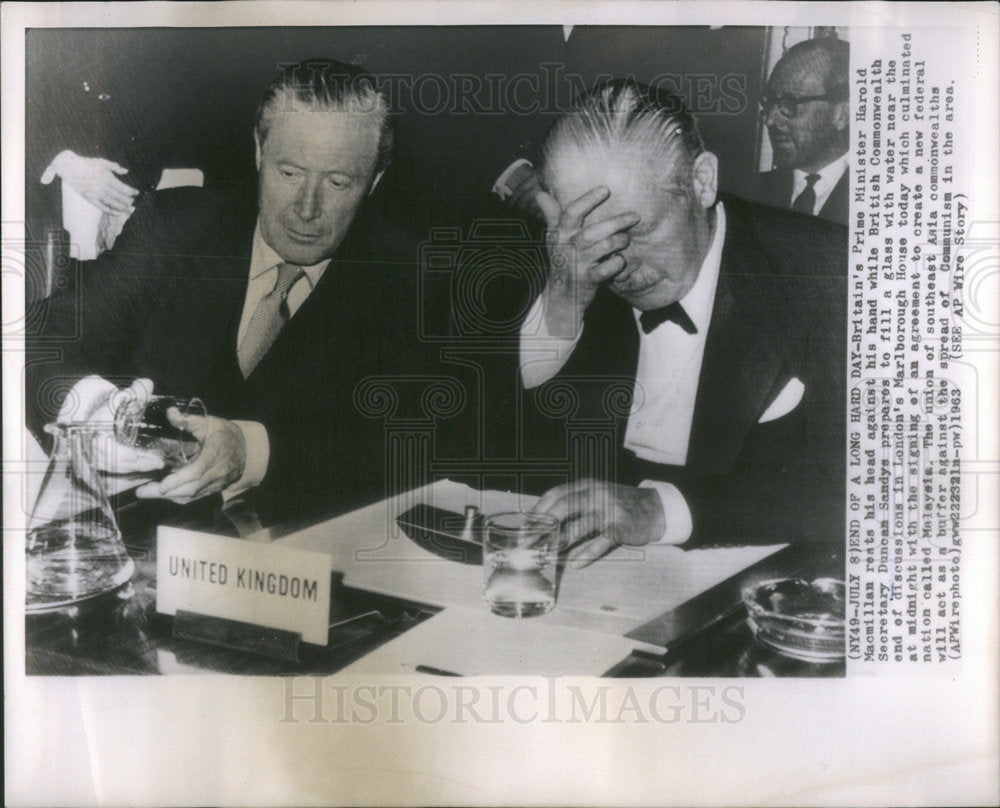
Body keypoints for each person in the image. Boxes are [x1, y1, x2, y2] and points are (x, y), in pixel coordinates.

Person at [26, 58, 431, 524]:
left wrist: (250, 452)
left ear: (374, 183)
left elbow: (407, 449)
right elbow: (40, 339)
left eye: (338, 182)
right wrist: (95, 409)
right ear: (259, 152)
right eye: (290, 173)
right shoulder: (176, 227)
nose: (307, 208)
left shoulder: (409, 278)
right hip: (144, 548)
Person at [518, 79, 847, 565]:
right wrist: (564, 303)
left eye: (638, 230)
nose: (618, 266)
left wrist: (662, 510)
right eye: (595, 240)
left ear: (702, 181)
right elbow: (484, 450)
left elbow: (881, 491)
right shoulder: (569, 262)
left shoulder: (830, 273)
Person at [757, 37, 850, 225]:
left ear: (841, 114)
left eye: (789, 104)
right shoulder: (750, 195)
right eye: (770, 102)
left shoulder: (881, 201)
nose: (770, 120)